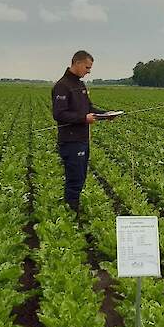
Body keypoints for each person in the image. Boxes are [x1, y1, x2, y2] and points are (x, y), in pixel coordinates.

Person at [51, 50, 113, 213]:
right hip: (71, 141)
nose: (88, 71)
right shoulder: (62, 86)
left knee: (80, 177)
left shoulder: (80, 84)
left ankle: (72, 209)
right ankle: (71, 212)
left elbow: (88, 108)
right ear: (77, 63)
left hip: (82, 139)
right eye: (87, 67)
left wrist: (105, 115)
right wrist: (83, 119)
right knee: (75, 179)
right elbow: (59, 114)